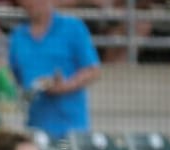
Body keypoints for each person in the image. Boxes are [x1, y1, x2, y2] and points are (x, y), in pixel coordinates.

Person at [9, 0, 101, 140]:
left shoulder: (73, 27)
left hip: (70, 130)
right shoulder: (18, 36)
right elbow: (17, 79)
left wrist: (65, 86)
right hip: (35, 128)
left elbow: (93, 70)